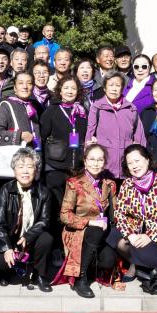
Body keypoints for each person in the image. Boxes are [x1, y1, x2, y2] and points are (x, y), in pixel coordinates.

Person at [114, 145, 157, 295]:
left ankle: (139, 264)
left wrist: (150, 236)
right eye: (130, 163)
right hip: (135, 232)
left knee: (147, 255)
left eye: (137, 161)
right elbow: (119, 213)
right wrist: (130, 234)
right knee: (112, 237)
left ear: (148, 160)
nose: (134, 166)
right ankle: (135, 263)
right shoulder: (127, 184)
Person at [59, 144, 121, 298]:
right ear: (85, 161)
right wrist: (90, 222)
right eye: (92, 159)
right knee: (96, 229)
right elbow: (64, 215)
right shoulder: (74, 183)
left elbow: (116, 212)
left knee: (109, 260)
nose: (96, 163)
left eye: (100, 160)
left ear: (104, 162)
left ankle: (91, 265)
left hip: (101, 232)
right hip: (79, 231)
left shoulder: (109, 184)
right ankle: (80, 278)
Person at [0, 147, 56, 291]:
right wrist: (6, 247)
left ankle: (39, 275)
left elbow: (45, 220)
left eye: (29, 166)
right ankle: (7, 271)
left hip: (32, 238)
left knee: (47, 239)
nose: (25, 171)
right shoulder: (5, 190)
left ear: (36, 170)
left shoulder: (44, 192)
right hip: (11, 238)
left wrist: (28, 236)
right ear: (14, 170)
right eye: (21, 167)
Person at [40, 76, 88, 213]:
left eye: (73, 88)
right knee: (57, 207)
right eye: (66, 88)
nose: (69, 91)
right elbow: (42, 136)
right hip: (55, 165)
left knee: (74, 207)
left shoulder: (82, 111)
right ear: (60, 91)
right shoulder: (52, 110)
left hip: (77, 167)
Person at [87, 72, 146, 178]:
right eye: (111, 85)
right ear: (104, 88)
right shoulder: (97, 108)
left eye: (118, 85)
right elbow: (89, 136)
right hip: (105, 166)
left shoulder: (131, 108)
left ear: (122, 88)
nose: (114, 89)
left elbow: (140, 137)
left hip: (127, 166)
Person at [0, 70, 42, 156]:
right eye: (21, 83)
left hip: (35, 158)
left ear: (33, 87)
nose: (25, 87)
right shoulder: (6, 105)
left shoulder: (35, 106)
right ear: (15, 88)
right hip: (16, 159)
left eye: (29, 83)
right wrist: (19, 136)